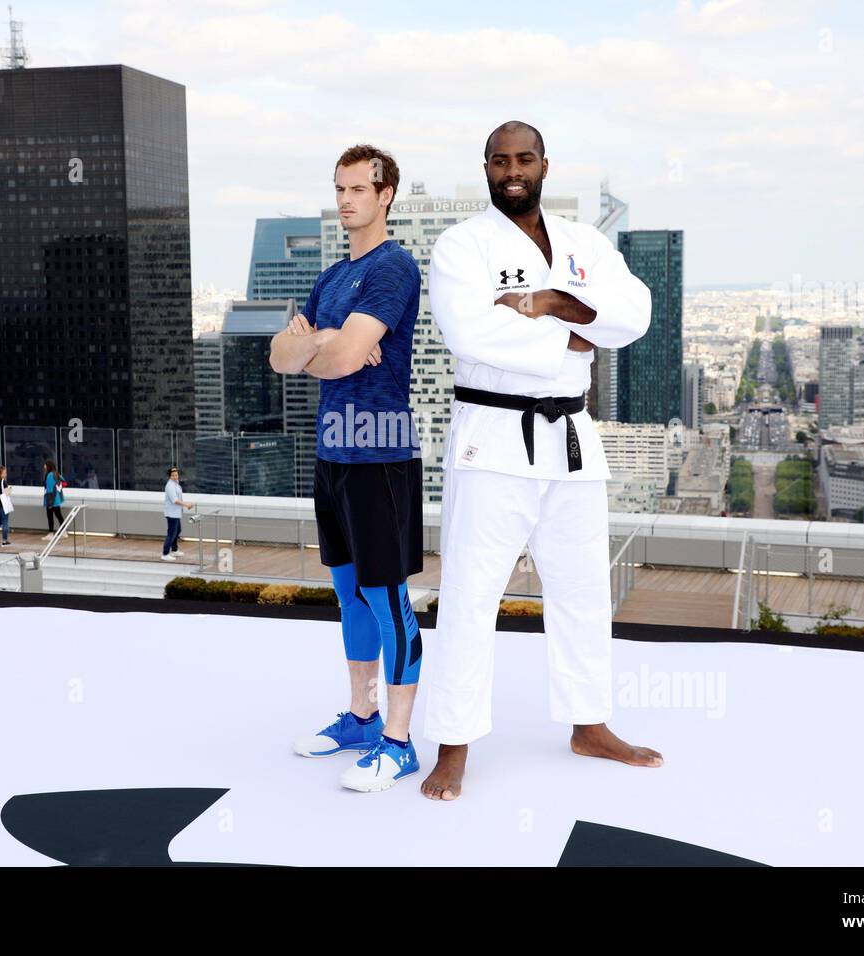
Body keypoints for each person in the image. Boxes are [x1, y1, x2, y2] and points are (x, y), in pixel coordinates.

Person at [420, 121, 663, 801]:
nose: (512, 170)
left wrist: (550, 303)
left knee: (583, 588)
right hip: (492, 437)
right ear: (488, 169)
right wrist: (576, 335)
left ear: (545, 165)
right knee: (471, 595)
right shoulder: (461, 245)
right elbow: (469, 330)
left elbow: (634, 314)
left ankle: (590, 725)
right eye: (500, 161)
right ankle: (453, 745)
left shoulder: (585, 242)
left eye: (524, 158)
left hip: (572, 439)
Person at [269, 143, 425, 792]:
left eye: (358, 189)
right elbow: (281, 355)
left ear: (386, 195)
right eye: (339, 189)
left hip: (380, 457)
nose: (344, 200)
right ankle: (361, 718)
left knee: (390, 603)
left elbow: (334, 356)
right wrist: (326, 346)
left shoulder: (395, 269)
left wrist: (326, 345)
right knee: (348, 596)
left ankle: (399, 740)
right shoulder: (331, 276)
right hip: (331, 454)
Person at [161, 466, 194, 561]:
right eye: (173, 475)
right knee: (171, 533)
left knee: (178, 530)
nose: (175, 477)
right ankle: (165, 553)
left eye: (176, 475)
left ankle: (174, 550)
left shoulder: (176, 483)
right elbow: (175, 500)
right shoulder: (170, 486)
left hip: (176, 512)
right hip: (171, 513)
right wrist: (186, 504)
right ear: (169, 476)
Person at [41, 459, 65, 540]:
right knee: (59, 516)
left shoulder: (50, 475)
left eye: (45, 465)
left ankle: (51, 533)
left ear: (48, 466)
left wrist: (50, 503)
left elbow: (50, 490)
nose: (44, 466)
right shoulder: (56, 473)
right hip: (57, 499)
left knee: (50, 516)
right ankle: (64, 532)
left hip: (51, 500)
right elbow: (63, 482)